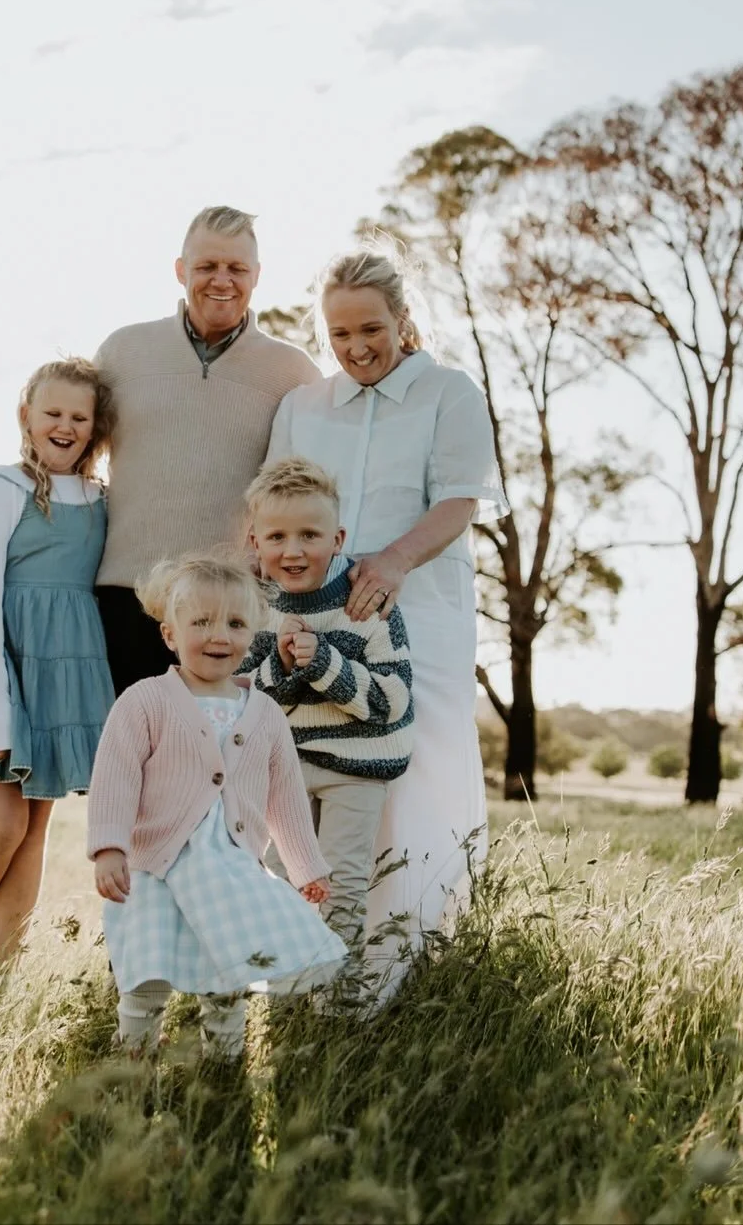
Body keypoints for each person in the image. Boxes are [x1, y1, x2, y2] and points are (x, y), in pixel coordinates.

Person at [266, 247, 508, 1002]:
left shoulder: (449, 393)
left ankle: (408, 962)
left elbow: (460, 501)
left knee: (416, 770)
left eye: (371, 328)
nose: (357, 347)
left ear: (403, 320)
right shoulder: (303, 408)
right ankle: (310, 966)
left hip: (421, 615)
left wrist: (394, 562)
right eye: (339, 335)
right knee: (316, 771)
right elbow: (275, 501)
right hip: (313, 621)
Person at [87, 554, 347, 1058]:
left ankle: (224, 1066)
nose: (218, 636)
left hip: (229, 869)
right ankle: (133, 1064)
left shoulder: (265, 713)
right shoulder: (146, 701)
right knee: (146, 977)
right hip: (154, 868)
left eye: (234, 623)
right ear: (169, 635)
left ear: (254, 635)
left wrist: (305, 866)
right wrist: (109, 849)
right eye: (201, 622)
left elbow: (286, 797)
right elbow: (115, 777)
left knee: (228, 979)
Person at [0, 358, 116, 990]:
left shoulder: (102, 499)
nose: (64, 426)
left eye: (79, 416)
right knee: (3, 823)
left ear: (95, 428)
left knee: (35, 828)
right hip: (2, 665)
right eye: (52, 413)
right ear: (27, 417)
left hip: (63, 671)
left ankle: (5, 970)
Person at [93, 205, 320, 697]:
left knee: (213, 765)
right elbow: (68, 457)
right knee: (117, 765)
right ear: (181, 271)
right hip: (121, 597)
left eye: (237, 268)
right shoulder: (123, 353)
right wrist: (9, 530)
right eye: (207, 267)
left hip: (227, 608)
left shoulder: (293, 373)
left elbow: (308, 491)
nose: (222, 280)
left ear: (257, 276)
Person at [239, 458, 415, 951]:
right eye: (276, 537)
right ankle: (287, 996)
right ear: (255, 542)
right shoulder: (255, 608)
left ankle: (337, 1002)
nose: (292, 551)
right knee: (279, 881)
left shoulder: (369, 603)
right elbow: (243, 697)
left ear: (336, 539)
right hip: (282, 768)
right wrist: (283, 665)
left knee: (341, 886)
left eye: (309, 536)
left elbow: (389, 702)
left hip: (356, 768)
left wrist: (325, 665)